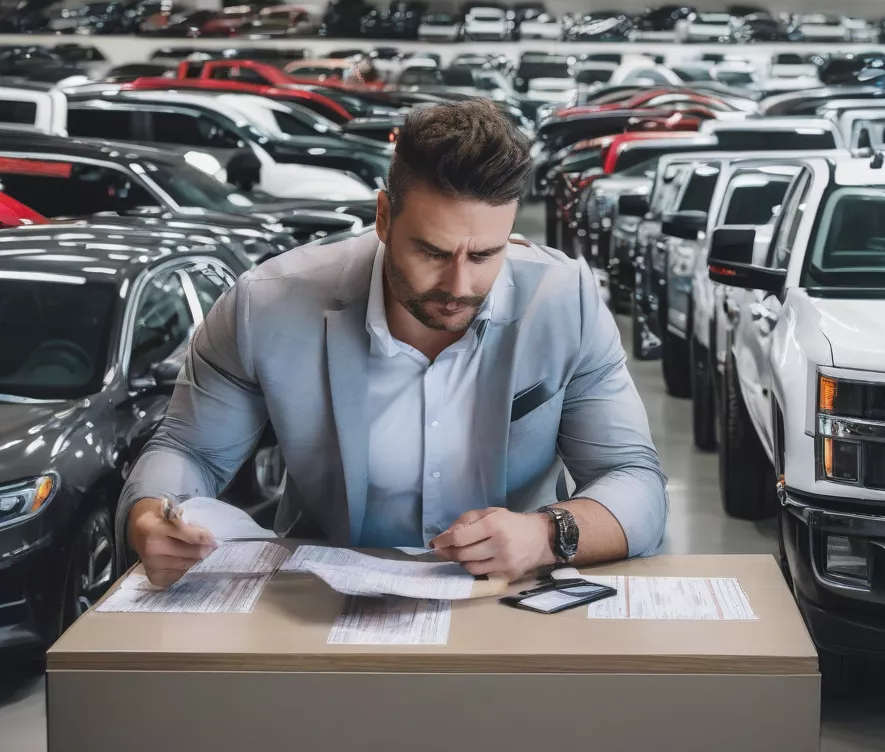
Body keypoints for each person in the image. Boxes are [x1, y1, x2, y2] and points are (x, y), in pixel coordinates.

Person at [119, 99, 667, 587]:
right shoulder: (264, 306)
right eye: (432, 252)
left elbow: (636, 481)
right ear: (383, 218)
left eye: (484, 256)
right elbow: (190, 451)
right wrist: (151, 517)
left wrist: (546, 535)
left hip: (509, 601)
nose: (459, 286)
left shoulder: (566, 301)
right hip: (317, 606)